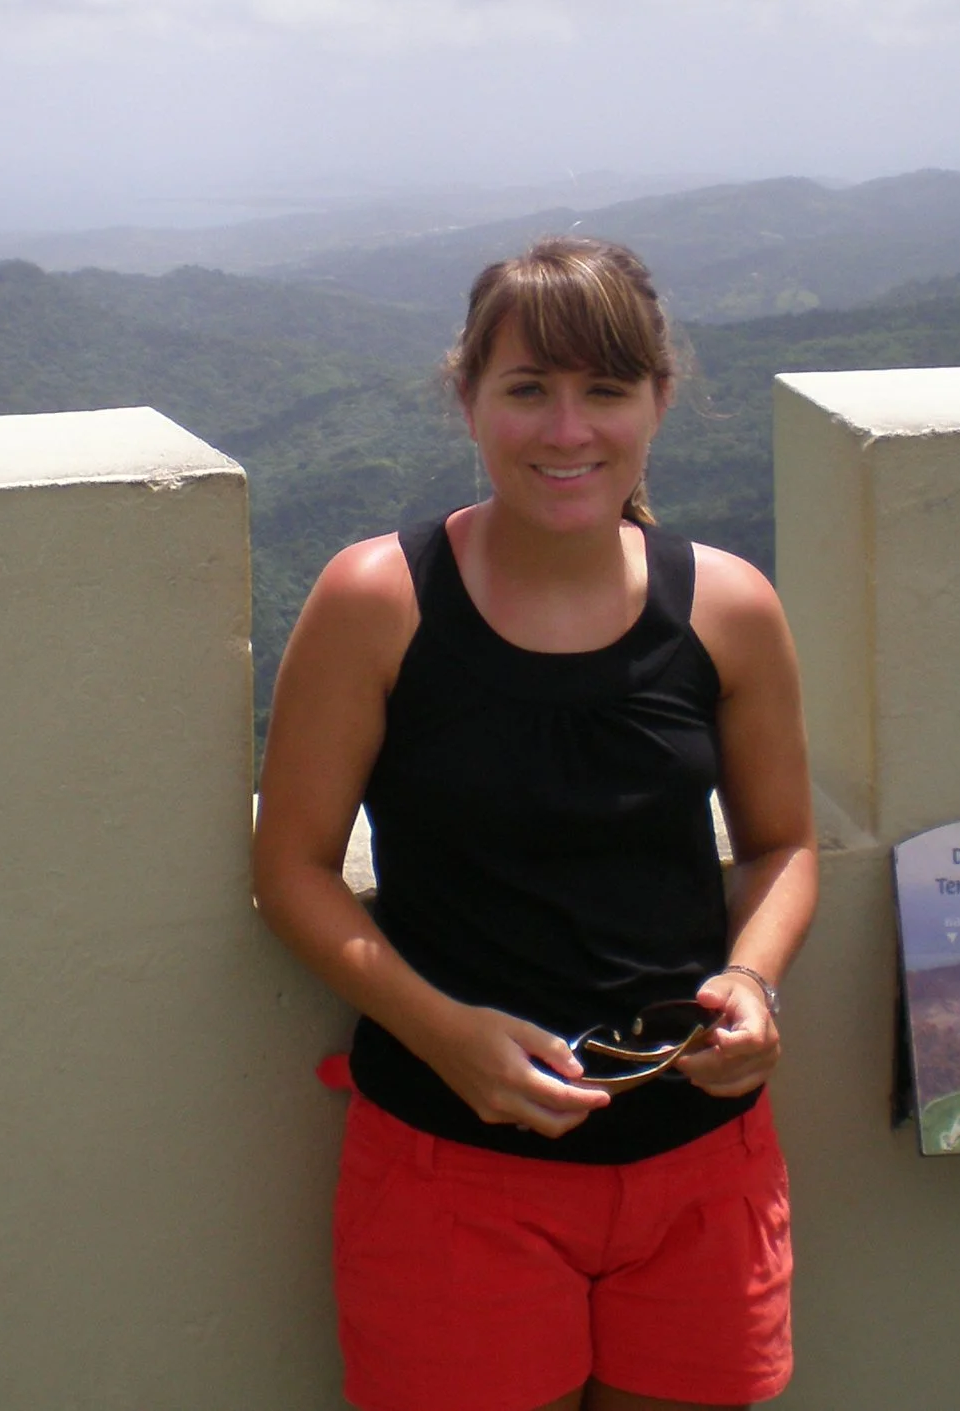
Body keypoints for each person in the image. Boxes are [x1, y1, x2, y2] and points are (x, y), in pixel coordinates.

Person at [252, 237, 819, 1411]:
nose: (569, 431)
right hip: (450, 1169)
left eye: (605, 390)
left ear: (660, 400)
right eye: (527, 391)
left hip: (700, 1160)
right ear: (467, 399)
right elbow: (292, 868)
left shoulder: (726, 605)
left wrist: (753, 983)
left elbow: (781, 846)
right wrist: (441, 1033)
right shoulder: (379, 601)